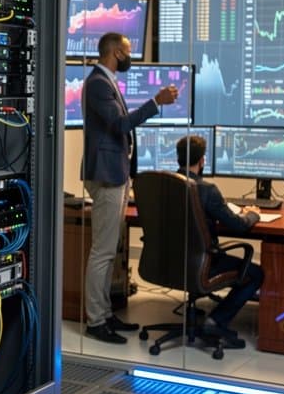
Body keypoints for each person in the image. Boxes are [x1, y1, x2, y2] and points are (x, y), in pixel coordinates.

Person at [81, 32, 178, 343]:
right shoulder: (98, 83)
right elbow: (120, 125)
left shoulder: (106, 81)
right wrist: (155, 102)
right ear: (115, 53)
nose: (130, 55)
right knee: (103, 251)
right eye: (128, 49)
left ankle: (106, 314)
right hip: (106, 175)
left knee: (110, 251)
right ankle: (96, 321)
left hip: (117, 174)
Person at [176, 135, 264, 349]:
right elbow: (239, 225)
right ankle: (216, 320)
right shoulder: (207, 190)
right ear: (202, 160)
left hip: (170, 261)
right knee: (257, 273)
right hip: (202, 263)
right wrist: (253, 214)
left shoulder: (165, 184)